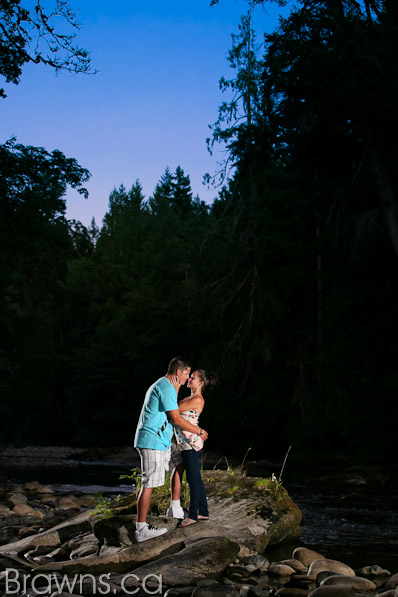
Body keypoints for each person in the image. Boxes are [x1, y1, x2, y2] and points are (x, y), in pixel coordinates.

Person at [134, 357, 209, 542]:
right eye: (186, 374)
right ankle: (141, 529)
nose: (186, 379)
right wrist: (199, 431)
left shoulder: (167, 386)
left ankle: (175, 507)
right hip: (152, 441)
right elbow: (176, 418)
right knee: (149, 483)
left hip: (163, 441)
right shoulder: (167, 388)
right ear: (178, 372)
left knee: (181, 462)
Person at [174, 369, 217, 527]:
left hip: (191, 444)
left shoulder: (197, 399)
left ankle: (192, 515)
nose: (189, 379)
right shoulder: (190, 397)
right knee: (196, 478)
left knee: (192, 479)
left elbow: (174, 410)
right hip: (186, 443)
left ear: (201, 383)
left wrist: (177, 385)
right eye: (190, 376)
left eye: (193, 377)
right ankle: (203, 512)